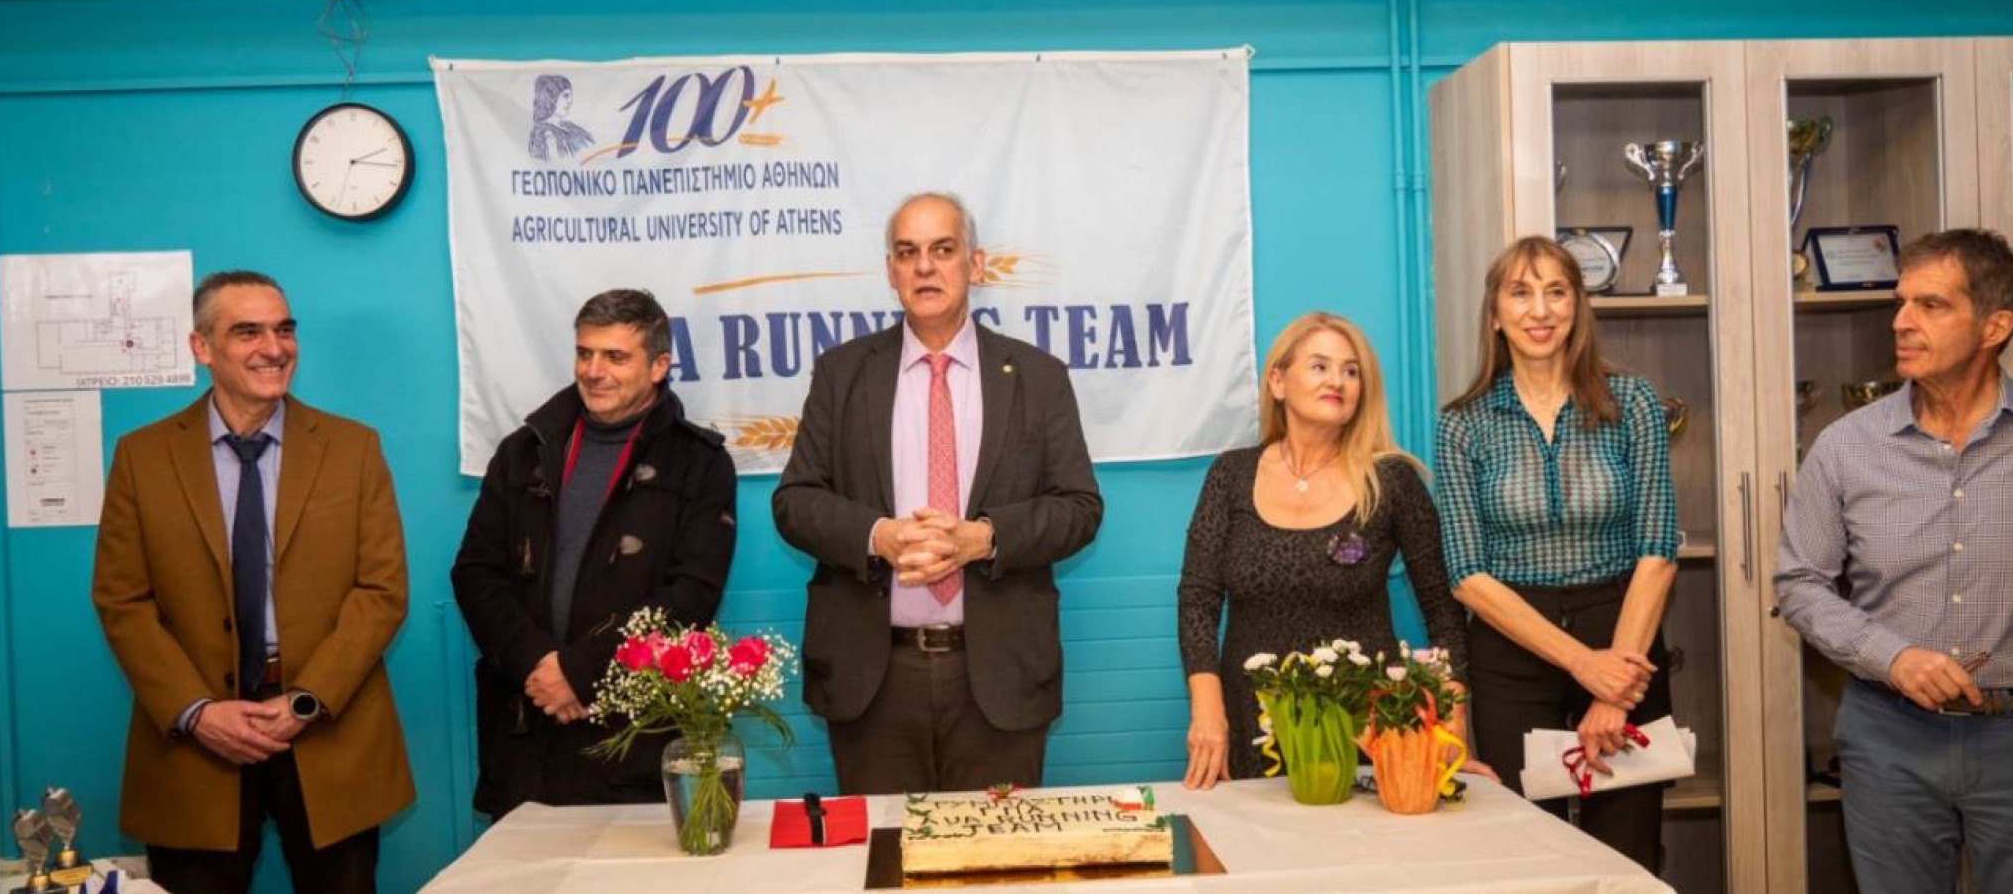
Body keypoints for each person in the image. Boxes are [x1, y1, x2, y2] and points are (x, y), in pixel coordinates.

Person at [1774, 229, 2013, 894]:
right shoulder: (1846, 444)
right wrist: (1893, 657)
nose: (1902, 322)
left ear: (1995, 325)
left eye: (1931, 306)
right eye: (1901, 301)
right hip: (1889, 739)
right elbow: (1799, 582)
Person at [91, 270, 413, 894]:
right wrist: (197, 712)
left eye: (284, 329)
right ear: (201, 347)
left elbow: (382, 590)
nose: (275, 347)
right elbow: (122, 600)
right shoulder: (143, 456)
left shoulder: (353, 448)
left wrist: (305, 701)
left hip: (328, 730)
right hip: (194, 747)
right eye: (248, 331)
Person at [773, 192, 1103, 796]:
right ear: (891, 271)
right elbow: (795, 500)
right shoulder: (842, 373)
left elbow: (1079, 509)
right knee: (885, 870)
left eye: (942, 250)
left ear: (974, 265)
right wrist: (880, 537)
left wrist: (986, 538)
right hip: (875, 680)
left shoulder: (1038, 376)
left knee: (998, 872)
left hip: (998, 676)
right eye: (908, 252)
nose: (925, 266)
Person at [1434, 236, 1680, 871]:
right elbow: (1466, 574)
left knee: (1626, 852)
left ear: (1578, 307)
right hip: (1513, 649)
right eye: (1520, 293)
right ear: (1495, 314)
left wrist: (1614, 687)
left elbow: (1656, 550)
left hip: (1623, 634)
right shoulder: (1463, 424)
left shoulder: (1635, 403)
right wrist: (1583, 666)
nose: (1538, 310)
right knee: (1528, 858)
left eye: (1556, 291)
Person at [452, 289, 738, 819]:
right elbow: (475, 572)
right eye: (585, 353)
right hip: (526, 724)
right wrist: (539, 665)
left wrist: (580, 671)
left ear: (658, 366)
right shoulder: (524, 451)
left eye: (615, 356)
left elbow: (691, 594)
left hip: (633, 739)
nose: (594, 370)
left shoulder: (699, 463)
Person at [1177, 312, 1472, 788]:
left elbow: (1443, 610)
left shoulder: (1392, 480)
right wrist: (1208, 712)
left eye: (1351, 370)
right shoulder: (1230, 475)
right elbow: (1197, 600)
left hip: (1368, 732)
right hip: (1250, 725)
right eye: (1319, 366)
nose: (1337, 380)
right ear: (1278, 379)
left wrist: (1451, 712)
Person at [528, 74, 597, 161]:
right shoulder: (547, 135)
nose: (570, 101)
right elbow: (560, 165)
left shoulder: (568, 126)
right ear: (550, 98)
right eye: (566, 96)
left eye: (570, 96)